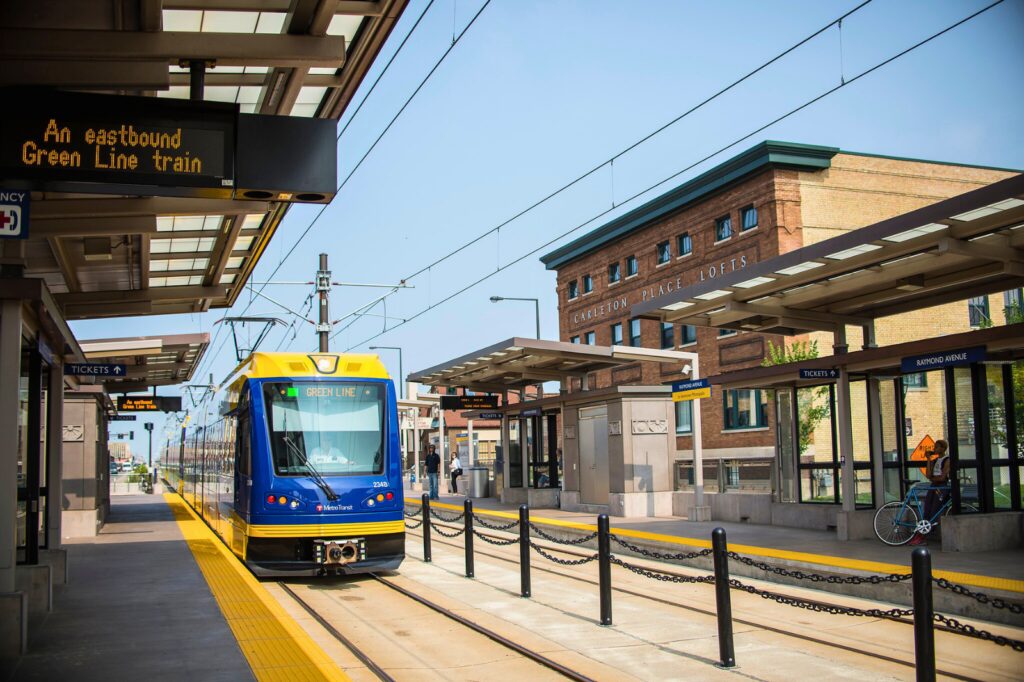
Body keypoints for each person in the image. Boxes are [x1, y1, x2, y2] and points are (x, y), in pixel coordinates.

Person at [910, 439, 950, 546]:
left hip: (941, 487)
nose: (935, 449)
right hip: (933, 486)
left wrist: (934, 478)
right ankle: (922, 534)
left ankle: (925, 535)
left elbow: (943, 477)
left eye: (937, 447)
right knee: (927, 509)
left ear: (943, 448)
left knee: (934, 510)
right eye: (934, 447)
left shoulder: (947, 460)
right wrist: (928, 460)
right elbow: (928, 475)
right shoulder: (936, 460)